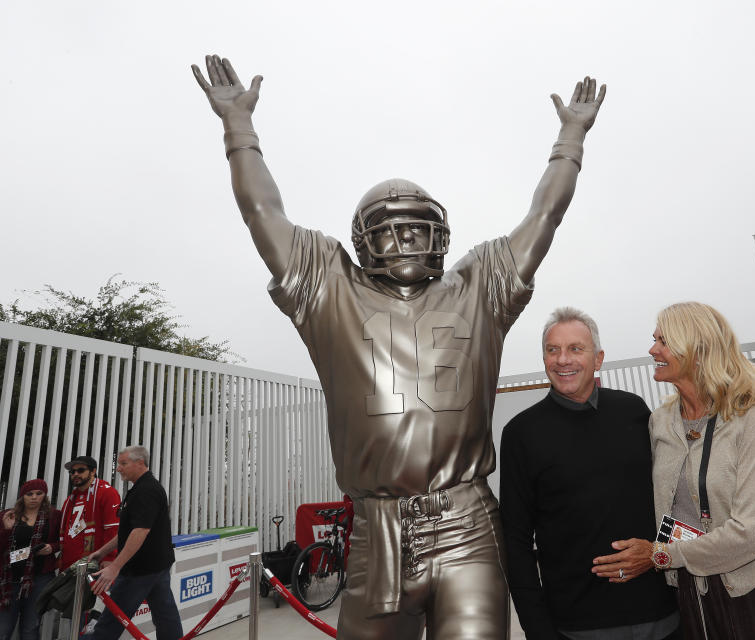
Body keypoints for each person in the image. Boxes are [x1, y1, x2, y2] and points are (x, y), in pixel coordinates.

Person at [191, 55, 605, 639]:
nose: (407, 237)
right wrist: (239, 128)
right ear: (365, 238)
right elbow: (264, 213)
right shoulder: (330, 289)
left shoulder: (478, 284)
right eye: (392, 227)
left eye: (417, 225)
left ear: (439, 232)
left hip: (466, 523)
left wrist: (570, 139)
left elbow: (545, 215)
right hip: (375, 529)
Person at [500, 308, 679, 639]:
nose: (563, 359)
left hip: (664, 617)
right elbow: (516, 541)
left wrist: (665, 557)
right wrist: (538, 629)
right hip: (577, 627)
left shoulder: (634, 411)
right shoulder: (521, 434)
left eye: (575, 349)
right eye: (553, 350)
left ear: (598, 359)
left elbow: (673, 498)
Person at [645, 302, 755, 640]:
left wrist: (662, 554)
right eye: (654, 339)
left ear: (697, 349)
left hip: (749, 591)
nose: (652, 349)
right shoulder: (659, 422)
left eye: (663, 341)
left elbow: (752, 532)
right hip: (685, 595)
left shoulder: (748, 416)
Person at [84, 446, 182, 640]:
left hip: (140, 570)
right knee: (165, 616)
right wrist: (102, 552)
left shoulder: (146, 491)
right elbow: (127, 532)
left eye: (123, 464)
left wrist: (115, 567)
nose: (118, 468)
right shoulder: (140, 488)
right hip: (156, 566)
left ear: (140, 463)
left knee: (109, 622)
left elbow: (140, 531)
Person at [0, 479, 60, 640]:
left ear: (45, 496)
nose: (34, 497)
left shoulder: (54, 516)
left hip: (40, 578)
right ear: (22, 496)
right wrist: (6, 530)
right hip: (9, 579)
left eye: (39, 494)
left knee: (30, 627)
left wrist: (51, 548)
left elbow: (64, 541)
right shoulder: (7, 515)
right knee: (3, 628)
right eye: (29, 494)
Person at [59, 455, 122, 570]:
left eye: (81, 470)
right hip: (69, 565)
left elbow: (113, 529)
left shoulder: (107, 493)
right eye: (72, 472)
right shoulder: (70, 500)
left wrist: (109, 558)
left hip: (94, 564)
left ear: (93, 471)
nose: (75, 474)